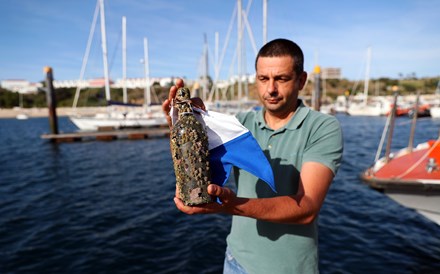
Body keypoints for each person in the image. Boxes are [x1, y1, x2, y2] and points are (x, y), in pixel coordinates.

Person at [162, 38, 343, 274]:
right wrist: (182, 121)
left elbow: (306, 208)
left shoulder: (323, 127)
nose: (271, 89)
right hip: (236, 261)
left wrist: (230, 205)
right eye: (263, 79)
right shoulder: (241, 124)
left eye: (282, 78)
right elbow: (200, 161)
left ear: (301, 80)